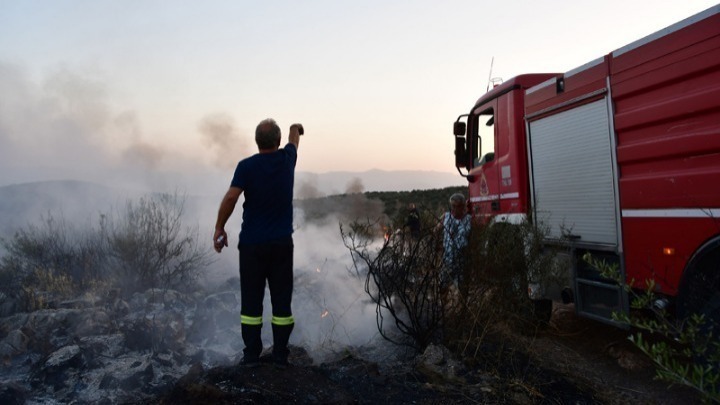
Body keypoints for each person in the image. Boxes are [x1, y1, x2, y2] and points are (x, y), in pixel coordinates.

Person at [213, 118, 303, 368]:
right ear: (277, 141)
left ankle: (251, 355)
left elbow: (231, 197)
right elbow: (294, 139)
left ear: (256, 141)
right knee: (281, 301)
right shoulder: (287, 160)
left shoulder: (246, 166)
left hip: (252, 246)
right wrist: (296, 128)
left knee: (251, 301)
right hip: (281, 245)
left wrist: (220, 228)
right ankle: (280, 356)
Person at [437, 193, 471, 288]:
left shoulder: (468, 219)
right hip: (447, 258)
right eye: (453, 206)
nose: (455, 209)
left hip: (461, 259)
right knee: (442, 285)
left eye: (458, 206)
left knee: (461, 287)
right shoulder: (446, 217)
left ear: (463, 206)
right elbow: (435, 231)